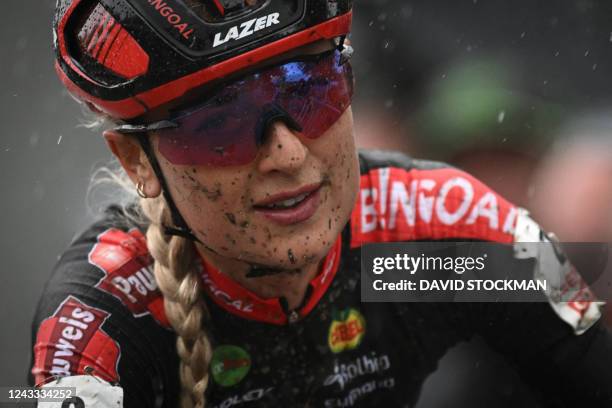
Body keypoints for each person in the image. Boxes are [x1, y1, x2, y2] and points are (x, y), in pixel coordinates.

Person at [30, 1, 612, 407]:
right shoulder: (102, 320)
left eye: (311, 91)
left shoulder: (418, 244)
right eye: (221, 125)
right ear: (138, 165)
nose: (286, 153)